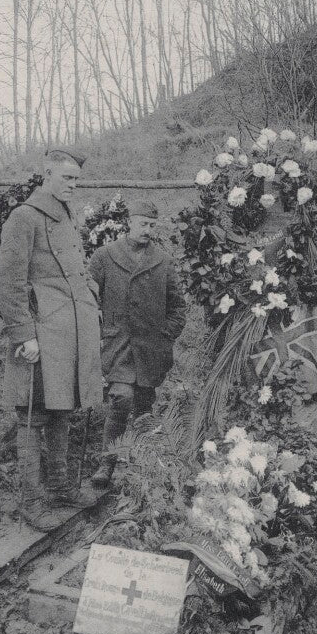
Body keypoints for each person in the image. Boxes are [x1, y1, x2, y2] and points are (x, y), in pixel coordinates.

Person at [0, 148, 103, 531]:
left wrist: (91, 295)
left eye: (77, 179)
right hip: (41, 334)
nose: (73, 185)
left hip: (70, 332)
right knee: (32, 415)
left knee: (63, 410)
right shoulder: (24, 217)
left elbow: (78, 267)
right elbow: (7, 283)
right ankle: (31, 500)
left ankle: (60, 487)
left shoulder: (67, 214)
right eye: (66, 178)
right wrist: (24, 336)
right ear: (47, 175)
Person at [89, 199, 186, 487]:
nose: (147, 230)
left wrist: (166, 334)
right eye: (143, 223)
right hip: (117, 344)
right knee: (121, 398)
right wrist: (98, 331)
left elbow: (178, 306)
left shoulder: (163, 260)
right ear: (129, 222)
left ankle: (143, 469)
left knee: (144, 406)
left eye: (152, 225)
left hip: (151, 348)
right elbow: (88, 300)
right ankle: (107, 462)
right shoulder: (104, 256)